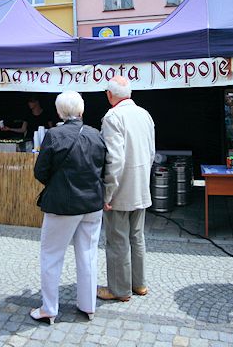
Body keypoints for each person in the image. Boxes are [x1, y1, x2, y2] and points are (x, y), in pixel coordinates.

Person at [30, 91, 106, 324]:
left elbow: (40, 171)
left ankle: (49, 309)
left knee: (52, 256)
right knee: (88, 255)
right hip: (92, 204)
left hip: (62, 205)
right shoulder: (96, 135)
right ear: (81, 111)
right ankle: (88, 306)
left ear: (60, 112)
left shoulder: (54, 134)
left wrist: (59, 184)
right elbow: (104, 168)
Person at [97, 76, 155, 302]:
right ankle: (139, 284)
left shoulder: (113, 116)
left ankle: (119, 290)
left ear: (109, 95)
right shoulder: (145, 114)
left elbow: (114, 159)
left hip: (120, 188)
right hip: (140, 184)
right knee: (136, 237)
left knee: (117, 239)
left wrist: (107, 192)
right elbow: (151, 152)